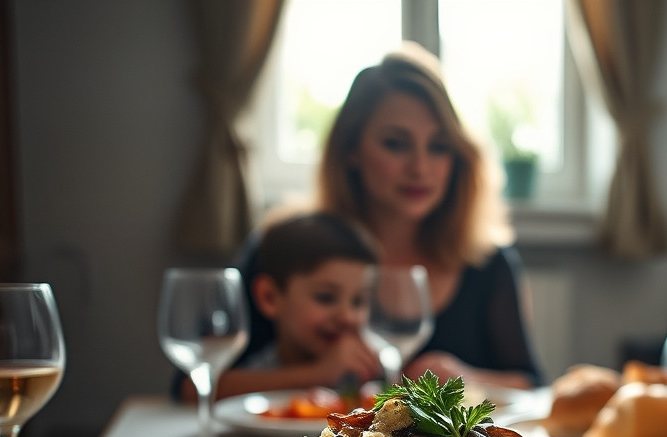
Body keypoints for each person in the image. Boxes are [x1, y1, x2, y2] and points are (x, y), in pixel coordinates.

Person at [237, 42, 540, 391]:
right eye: (396, 144)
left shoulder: (488, 264)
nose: (420, 168)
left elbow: (532, 383)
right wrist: (317, 373)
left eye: (439, 147)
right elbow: (191, 386)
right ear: (351, 149)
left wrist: (467, 378)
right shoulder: (287, 246)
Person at [209, 212, 383, 399]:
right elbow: (203, 388)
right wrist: (319, 373)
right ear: (270, 298)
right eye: (325, 298)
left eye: (358, 301)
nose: (347, 316)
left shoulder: (370, 368)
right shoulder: (258, 368)